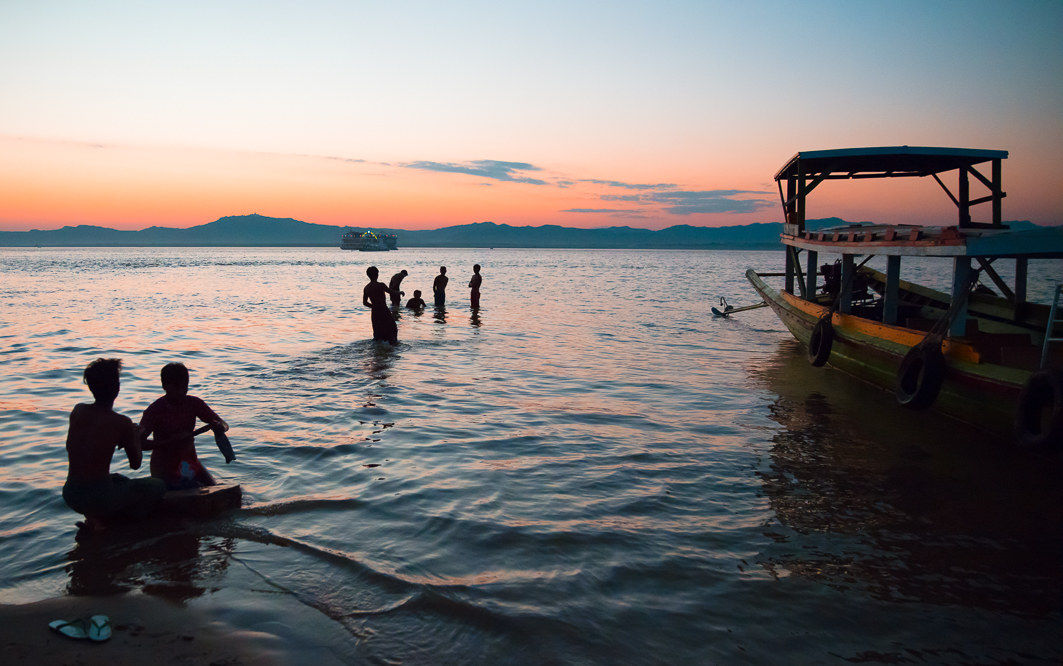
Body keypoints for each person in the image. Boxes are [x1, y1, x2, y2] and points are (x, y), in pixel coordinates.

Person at [62, 358, 165, 532]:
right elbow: (136, 464)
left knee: (119, 479)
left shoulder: (78, 410)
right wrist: (135, 437)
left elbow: (78, 446)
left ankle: (94, 519)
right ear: (117, 387)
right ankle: (116, 525)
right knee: (157, 485)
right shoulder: (121, 422)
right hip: (99, 497)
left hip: (70, 493)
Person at [140, 362, 230, 490]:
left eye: (185, 387)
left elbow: (224, 424)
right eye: (176, 387)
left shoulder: (194, 403)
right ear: (164, 386)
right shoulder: (154, 410)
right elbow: (140, 443)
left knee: (215, 489)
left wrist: (219, 427)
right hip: (163, 468)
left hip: (190, 463)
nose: (181, 392)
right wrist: (169, 442)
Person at [363, 265, 400, 344]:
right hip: (383, 310)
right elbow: (391, 292)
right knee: (392, 329)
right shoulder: (380, 285)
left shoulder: (366, 288)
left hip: (375, 312)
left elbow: (365, 302)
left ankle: (379, 348)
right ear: (377, 274)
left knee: (378, 333)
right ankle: (393, 346)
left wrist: (374, 307)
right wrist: (400, 292)